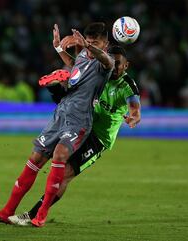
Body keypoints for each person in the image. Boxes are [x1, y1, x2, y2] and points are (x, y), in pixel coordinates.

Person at [0, 22, 114, 227]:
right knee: (34, 159)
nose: (90, 44)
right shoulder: (82, 57)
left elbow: (106, 61)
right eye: (88, 40)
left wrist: (86, 47)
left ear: (105, 43)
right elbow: (75, 69)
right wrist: (58, 48)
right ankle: (6, 212)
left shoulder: (105, 63)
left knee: (60, 154)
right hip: (60, 115)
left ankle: (40, 215)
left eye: (95, 42)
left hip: (79, 120)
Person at [8, 45, 141, 226]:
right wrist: (59, 49)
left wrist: (133, 118)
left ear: (127, 66)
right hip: (80, 126)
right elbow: (75, 64)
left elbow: (135, 108)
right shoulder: (100, 74)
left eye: (119, 64)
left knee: (65, 175)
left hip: (98, 138)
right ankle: (27, 213)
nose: (115, 67)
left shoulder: (127, 85)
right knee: (50, 162)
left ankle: (33, 215)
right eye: (113, 63)